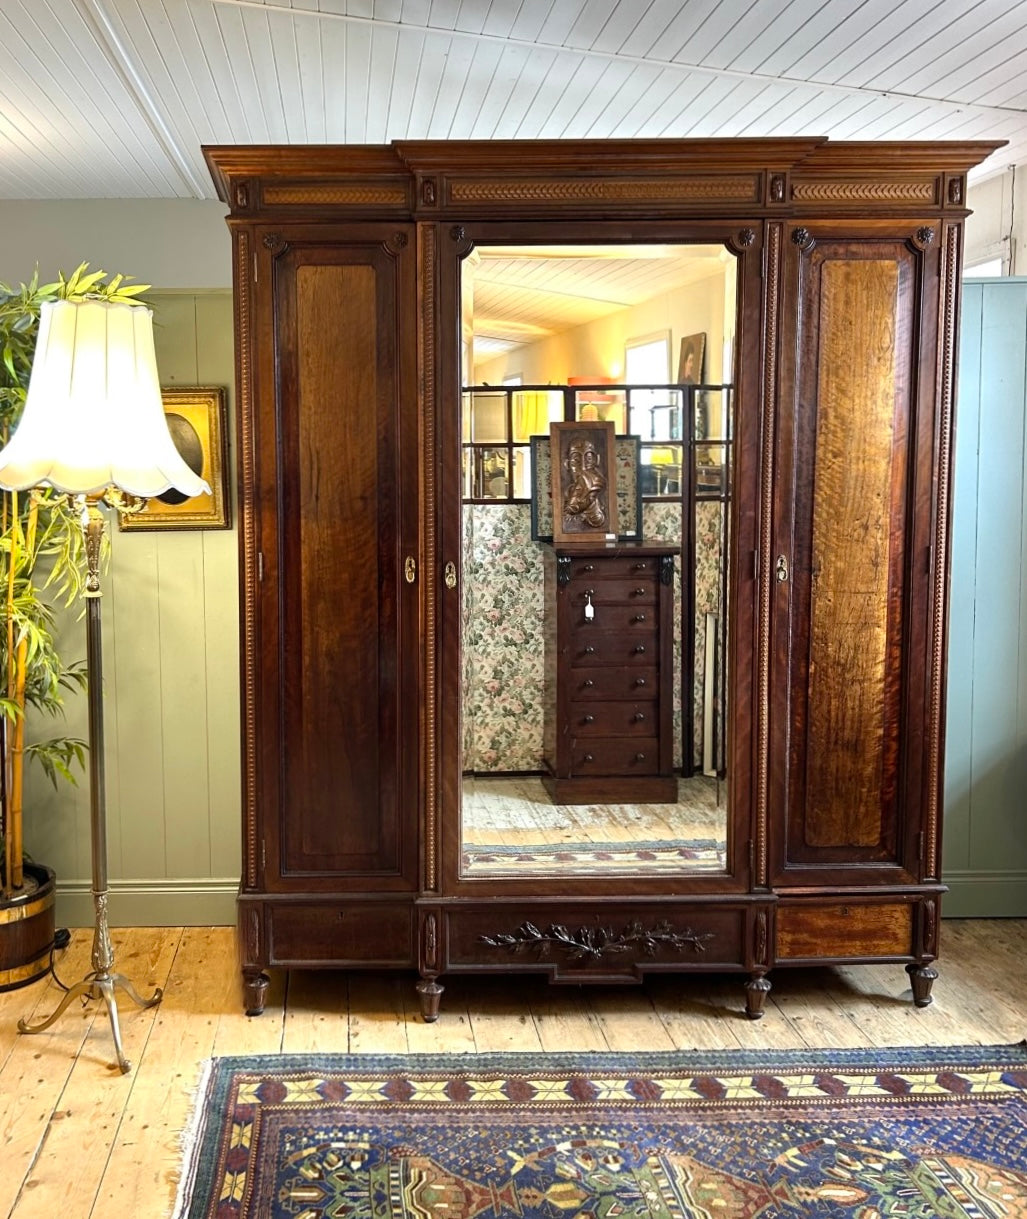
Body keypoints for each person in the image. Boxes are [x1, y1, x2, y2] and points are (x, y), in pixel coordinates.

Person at [562, 435, 607, 530]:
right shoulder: (568, 494)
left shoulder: (597, 485)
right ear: (567, 464)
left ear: (597, 461)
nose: (583, 467)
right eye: (576, 460)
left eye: (589, 460)